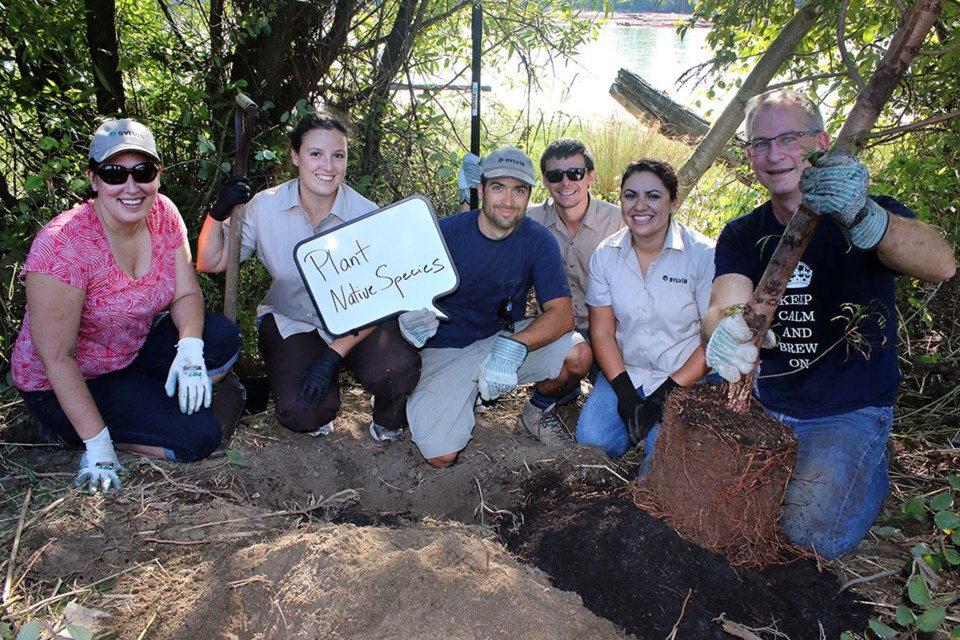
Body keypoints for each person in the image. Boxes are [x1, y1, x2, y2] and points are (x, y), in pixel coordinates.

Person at [702, 89, 956, 559]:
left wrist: (866, 218)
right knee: (682, 483)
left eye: (789, 138)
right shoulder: (743, 233)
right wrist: (725, 328)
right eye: (760, 143)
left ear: (821, 142)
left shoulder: (871, 212)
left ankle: (868, 461)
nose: (774, 155)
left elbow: (941, 263)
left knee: (807, 533)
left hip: (848, 411)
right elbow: (724, 304)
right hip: (767, 405)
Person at [11, 119, 242, 495]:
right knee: (198, 437)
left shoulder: (163, 214)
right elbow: (56, 357)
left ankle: (152, 396)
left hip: (128, 351)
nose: (131, 187)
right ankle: (76, 431)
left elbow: (186, 295)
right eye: (115, 174)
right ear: (94, 179)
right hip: (69, 379)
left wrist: (189, 349)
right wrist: (98, 446)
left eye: (143, 172)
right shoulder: (62, 246)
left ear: (158, 175)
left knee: (219, 337)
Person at [196, 112, 420, 442]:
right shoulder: (265, 206)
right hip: (292, 319)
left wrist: (331, 357)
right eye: (315, 154)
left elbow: (380, 300)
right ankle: (319, 398)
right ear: (295, 155)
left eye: (338, 155)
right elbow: (210, 261)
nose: (327, 166)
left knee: (397, 372)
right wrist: (218, 213)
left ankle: (387, 416)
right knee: (303, 412)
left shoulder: (366, 214)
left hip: (356, 324)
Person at [401, 146, 592, 468]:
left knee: (578, 355)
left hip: (500, 341)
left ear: (529, 195)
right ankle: (459, 395)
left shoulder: (538, 240)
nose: (508, 200)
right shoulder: (444, 232)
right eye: (498, 188)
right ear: (481, 190)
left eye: (519, 190)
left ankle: (535, 412)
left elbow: (562, 314)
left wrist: (513, 347)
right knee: (440, 456)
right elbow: (397, 287)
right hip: (445, 349)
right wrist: (406, 317)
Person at [575, 159, 714, 467]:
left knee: (662, 454)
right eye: (630, 196)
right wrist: (625, 394)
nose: (640, 206)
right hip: (628, 369)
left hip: (683, 375)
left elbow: (711, 341)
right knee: (592, 441)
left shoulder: (703, 256)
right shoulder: (606, 255)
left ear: (673, 201)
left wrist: (665, 395)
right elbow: (602, 332)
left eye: (653, 196)